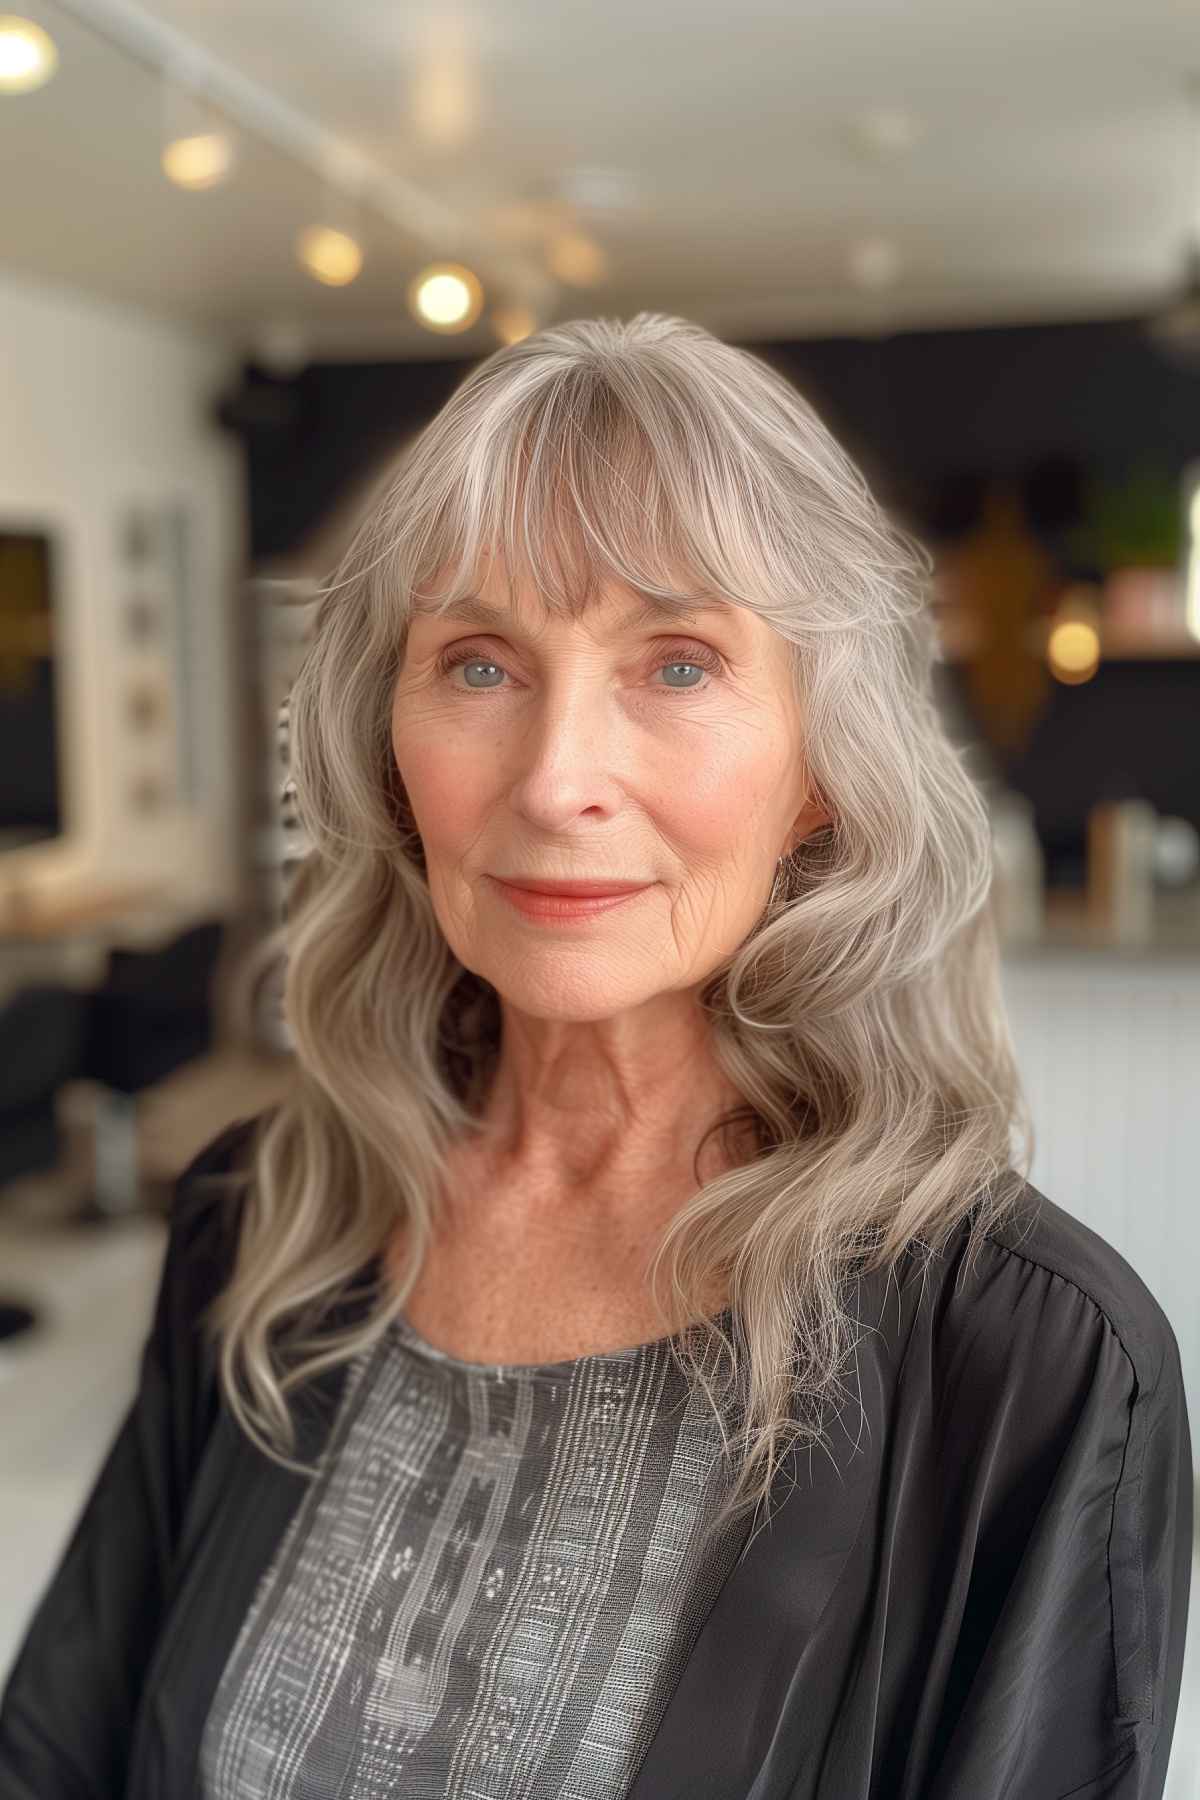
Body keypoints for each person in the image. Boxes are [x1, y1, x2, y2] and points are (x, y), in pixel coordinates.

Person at [0, 312, 1191, 1799]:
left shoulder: (1029, 1361)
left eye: (678, 664)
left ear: (823, 768)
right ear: (389, 748)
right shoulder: (267, 1221)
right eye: (480, 665)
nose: (560, 781)